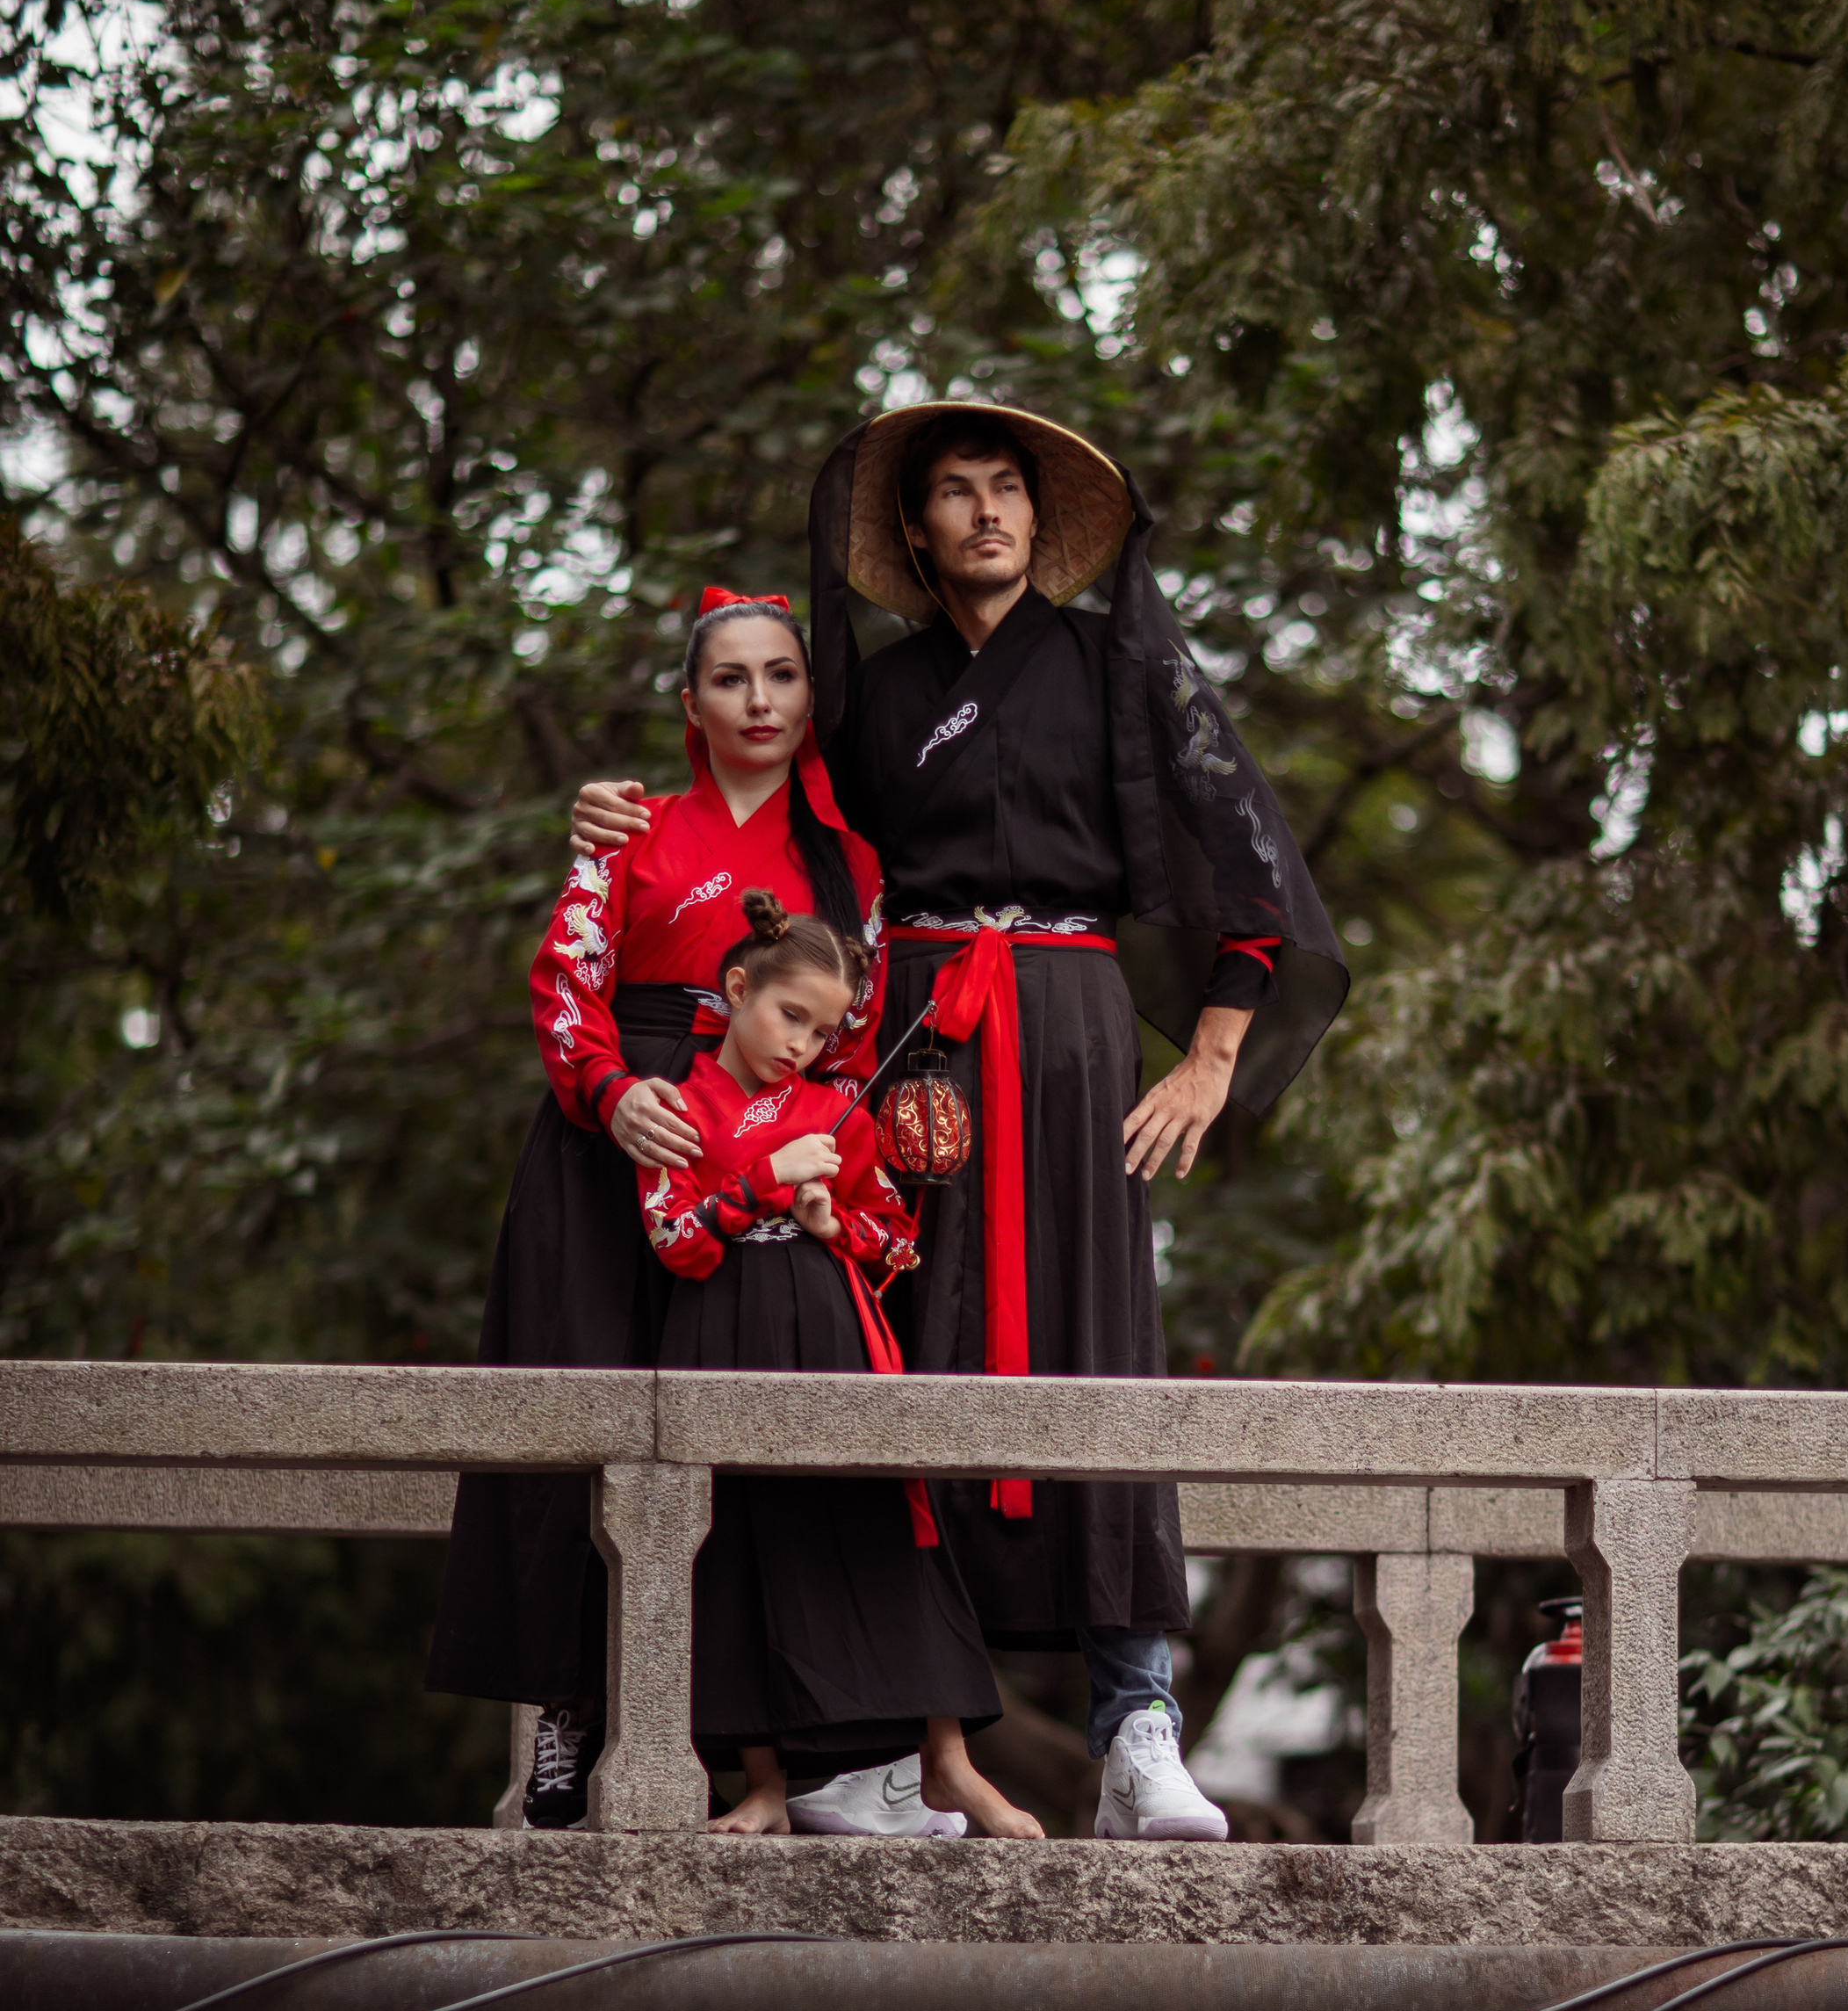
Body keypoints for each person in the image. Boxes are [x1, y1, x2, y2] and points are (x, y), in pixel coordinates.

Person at [569, 404, 1346, 1837]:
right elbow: (758, 816)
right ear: (916, 536)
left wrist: (1211, 1056)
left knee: (1099, 1342)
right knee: (898, 1343)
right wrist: (615, 828)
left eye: (1006, 489)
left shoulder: (1118, 668)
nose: (985, 511)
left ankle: (1138, 1729)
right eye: (952, 492)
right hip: (914, 1033)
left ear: (1039, 521)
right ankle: (883, 1741)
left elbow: (1249, 855)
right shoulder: (877, 695)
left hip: (1071, 1025)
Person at [428, 587, 960, 1838]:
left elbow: (851, 1038)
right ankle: (569, 1714)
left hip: (762, 1160)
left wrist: (789, 1148)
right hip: (613, 1136)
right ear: (691, 704)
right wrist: (613, 1096)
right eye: (730, 678)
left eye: (782, 675)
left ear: (811, 699)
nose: (758, 700)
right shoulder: (628, 829)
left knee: (752, 1447)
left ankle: (772, 1746)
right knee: (581, 1404)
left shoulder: (850, 862)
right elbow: (567, 983)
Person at [639, 891, 1041, 1841]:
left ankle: (948, 1763)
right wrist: (761, 1183)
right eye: (791, 1017)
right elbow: (672, 1239)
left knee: (891, 1531)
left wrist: (833, 1224)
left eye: (823, 1033)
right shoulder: (675, 1102)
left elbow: (899, 1244)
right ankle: (765, 1785)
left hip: (833, 1330)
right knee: (741, 1544)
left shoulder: (833, 1110)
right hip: (721, 1334)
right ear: (738, 987)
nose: (803, 1046)